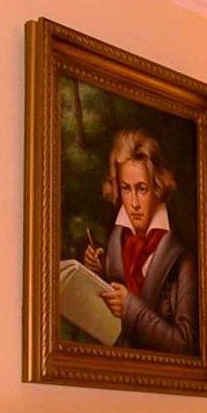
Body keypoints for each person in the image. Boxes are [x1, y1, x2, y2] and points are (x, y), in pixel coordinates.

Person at [80, 129, 196, 354]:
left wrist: (130, 308)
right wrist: (98, 273)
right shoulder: (117, 242)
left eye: (141, 189)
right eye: (126, 189)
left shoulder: (182, 258)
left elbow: (184, 343)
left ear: (157, 187)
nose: (133, 203)